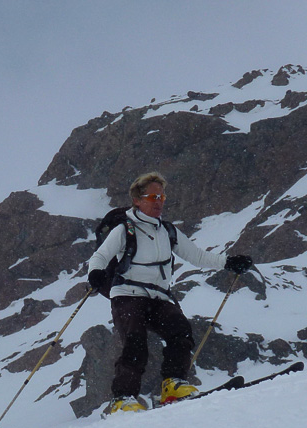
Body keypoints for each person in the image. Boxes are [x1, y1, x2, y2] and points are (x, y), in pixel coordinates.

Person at [87, 172, 253, 415]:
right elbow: (100, 256)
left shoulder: (167, 231)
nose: (159, 202)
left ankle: (173, 384)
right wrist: (95, 273)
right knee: (135, 342)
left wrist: (228, 262)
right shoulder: (125, 229)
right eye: (153, 197)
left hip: (158, 296)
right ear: (137, 200)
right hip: (127, 294)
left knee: (180, 331)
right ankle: (123, 399)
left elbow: (197, 256)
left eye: (162, 197)